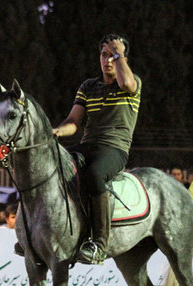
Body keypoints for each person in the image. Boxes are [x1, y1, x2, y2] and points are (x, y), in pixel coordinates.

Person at [48, 33, 141, 265]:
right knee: (54, 165)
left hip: (114, 149)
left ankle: (99, 244)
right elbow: (73, 122)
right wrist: (55, 132)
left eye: (114, 55)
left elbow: (126, 83)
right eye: (104, 54)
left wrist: (119, 53)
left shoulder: (132, 82)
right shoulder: (88, 86)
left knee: (94, 174)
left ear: (124, 60)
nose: (108, 60)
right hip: (87, 145)